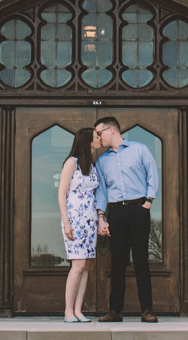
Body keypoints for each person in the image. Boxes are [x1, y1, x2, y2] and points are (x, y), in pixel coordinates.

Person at [92, 115, 159, 322]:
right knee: (117, 262)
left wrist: (147, 202)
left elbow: (152, 175)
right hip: (116, 213)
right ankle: (115, 311)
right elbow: (101, 191)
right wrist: (101, 217)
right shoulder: (102, 161)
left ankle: (147, 310)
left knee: (141, 260)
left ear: (111, 130)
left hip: (139, 209)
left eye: (99, 133)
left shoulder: (139, 150)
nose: (98, 137)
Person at [58, 126, 100, 323]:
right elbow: (61, 193)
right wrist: (66, 222)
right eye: (96, 136)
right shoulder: (71, 163)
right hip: (74, 219)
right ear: (87, 141)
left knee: (86, 265)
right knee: (77, 264)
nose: (99, 139)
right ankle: (68, 311)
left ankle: (78, 310)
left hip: (90, 219)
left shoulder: (92, 165)